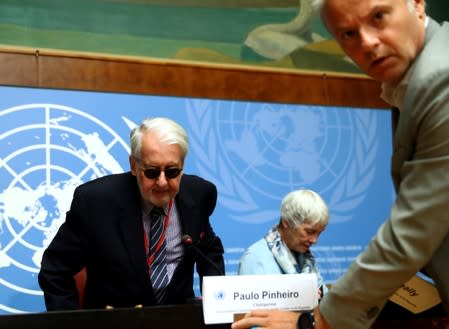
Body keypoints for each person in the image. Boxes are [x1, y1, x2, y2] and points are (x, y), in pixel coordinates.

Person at [232, 0, 449, 328]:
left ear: (417, 5)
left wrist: (316, 322)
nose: (367, 42)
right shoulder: (411, 81)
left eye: (379, 17)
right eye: (348, 33)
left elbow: (414, 232)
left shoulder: (440, 79)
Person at [38, 117, 225, 310]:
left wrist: (216, 305)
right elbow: (55, 269)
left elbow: (209, 249)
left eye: (172, 171)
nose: (162, 182)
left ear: (182, 165)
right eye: (152, 172)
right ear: (134, 165)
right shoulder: (96, 202)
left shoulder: (200, 194)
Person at [238, 189, 328, 299]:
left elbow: (325, 302)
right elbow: (250, 312)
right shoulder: (255, 258)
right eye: (309, 232)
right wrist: (301, 298)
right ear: (287, 222)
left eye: (319, 233)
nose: (314, 240)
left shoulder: (306, 258)